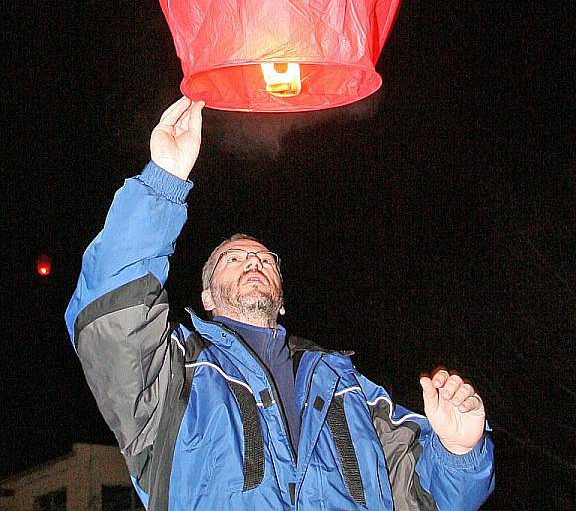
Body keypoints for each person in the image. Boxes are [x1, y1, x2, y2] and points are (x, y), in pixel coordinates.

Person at [66, 97, 494, 511]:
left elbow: (428, 496)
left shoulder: (348, 390)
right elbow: (110, 307)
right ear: (208, 296)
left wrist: (460, 452)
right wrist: (163, 181)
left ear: (282, 300)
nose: (253, 261)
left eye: (265, 260)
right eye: (232, 259)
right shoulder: (174, 376)